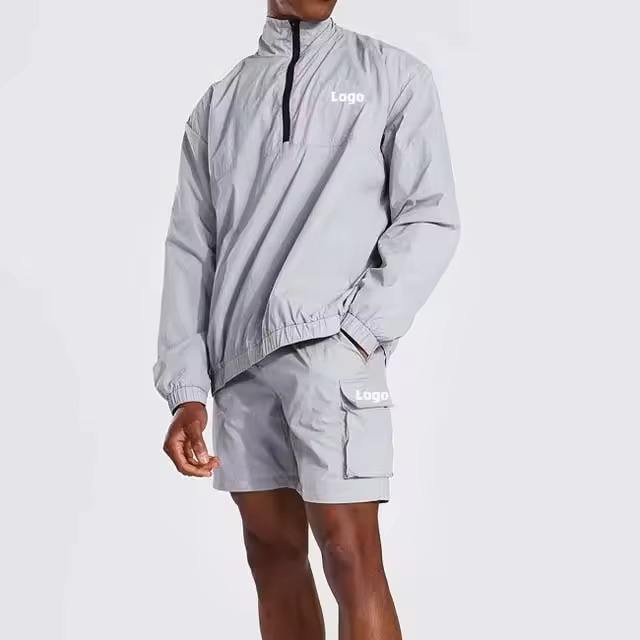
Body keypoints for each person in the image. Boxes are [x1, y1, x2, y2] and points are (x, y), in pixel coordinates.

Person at [154, 0, 460, 637]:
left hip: (333, 354)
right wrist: (187, 391)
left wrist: (359, 333)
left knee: (351, 558)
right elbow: (191, 248)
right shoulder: (218, 105)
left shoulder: (393, 76)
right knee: (272, 561)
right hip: (239, 366)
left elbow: (429, 216)